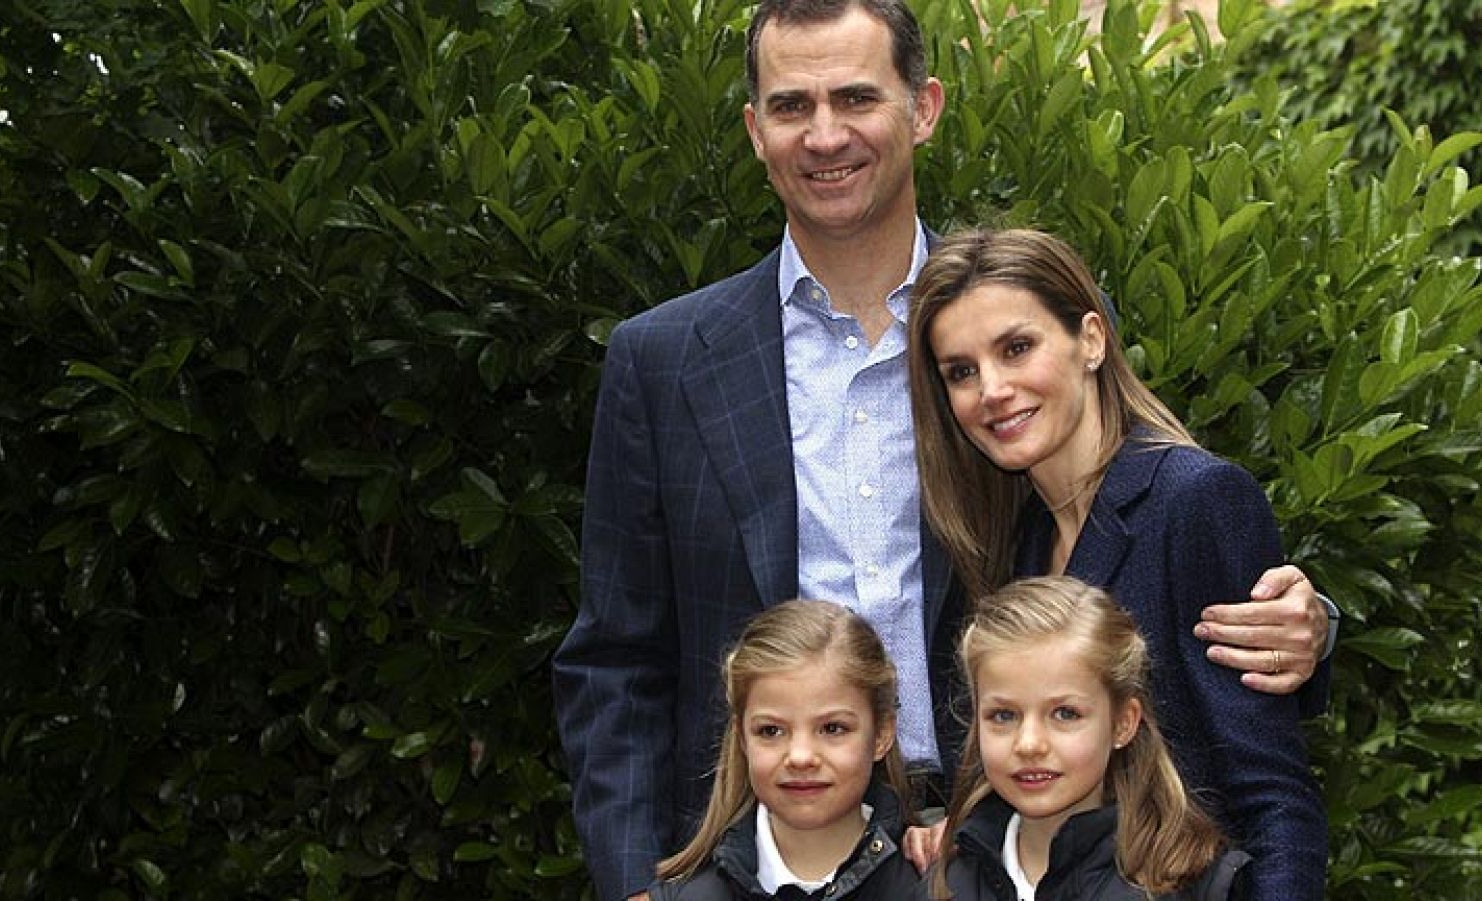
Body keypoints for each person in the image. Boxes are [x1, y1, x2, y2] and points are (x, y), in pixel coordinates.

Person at [553, 4, 1330, 900]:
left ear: (922, 108)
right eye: (792, 105)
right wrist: (634, 882)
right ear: (756, 130)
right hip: (757, 857)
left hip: (1001, 848)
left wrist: (1307, 624)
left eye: (856, 97)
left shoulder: (1003, 327)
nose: (826, 135)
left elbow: (1140, 523)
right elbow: (616, 659)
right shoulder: (662, 361)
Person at [907, 228, 1328, 899]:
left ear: (1092, 341)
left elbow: (1272, 793)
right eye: (961, 371)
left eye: (1016, 348)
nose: (992, 388)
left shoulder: (1195, 500)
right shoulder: (1009, 538)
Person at [924, 576, 1252, 901]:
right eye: (1003, 716)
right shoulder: (942, 883)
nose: (1029, 744)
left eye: (1065, 714)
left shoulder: (1191, 884)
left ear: (1123, 723)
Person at [648, 599, 921, 900]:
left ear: (882, 734)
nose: (800, 757)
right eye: (771, 731)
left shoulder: (933, 886)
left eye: (833, 728)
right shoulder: (683, 896)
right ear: (742, 738)